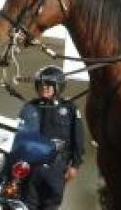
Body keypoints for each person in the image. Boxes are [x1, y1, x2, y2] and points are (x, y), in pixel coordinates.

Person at [19, 65, 85, 209]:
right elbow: (19, 135)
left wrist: (75, 165)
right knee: (25, 205)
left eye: (49, 84)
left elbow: (78, 139)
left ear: (58, 87)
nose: (45, 87)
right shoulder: (29, 107)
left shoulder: (69, 108)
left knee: (50, 205)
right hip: (30, 167)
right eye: (41, 84)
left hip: (56, 168)